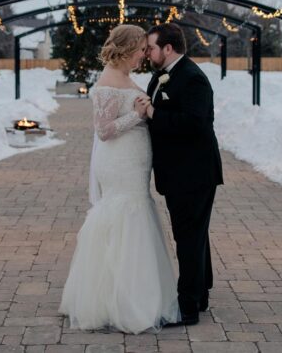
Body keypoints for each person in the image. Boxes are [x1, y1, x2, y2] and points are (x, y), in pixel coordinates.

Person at [59, 24, 180, 333]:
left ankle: (136, 291)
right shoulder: (107, 83)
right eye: (141, 49)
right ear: (127, 49)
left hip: (135, 163)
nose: (144, 54)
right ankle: (120, 300)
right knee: (125, 216)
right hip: (119, 163)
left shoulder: (126, 78)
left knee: (137, 212)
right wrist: (137, 116)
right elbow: (104, 130)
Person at [136, 23, 223, 326]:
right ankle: (199, 295)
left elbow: (196, 124)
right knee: (194, 236)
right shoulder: (161, 76)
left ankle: (187, 309)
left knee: (187, 238)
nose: (147, 52)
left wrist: (154, 114)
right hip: (179, 172)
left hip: (194, 172)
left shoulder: (193, 78)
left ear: (168, 49)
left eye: (150, 47)